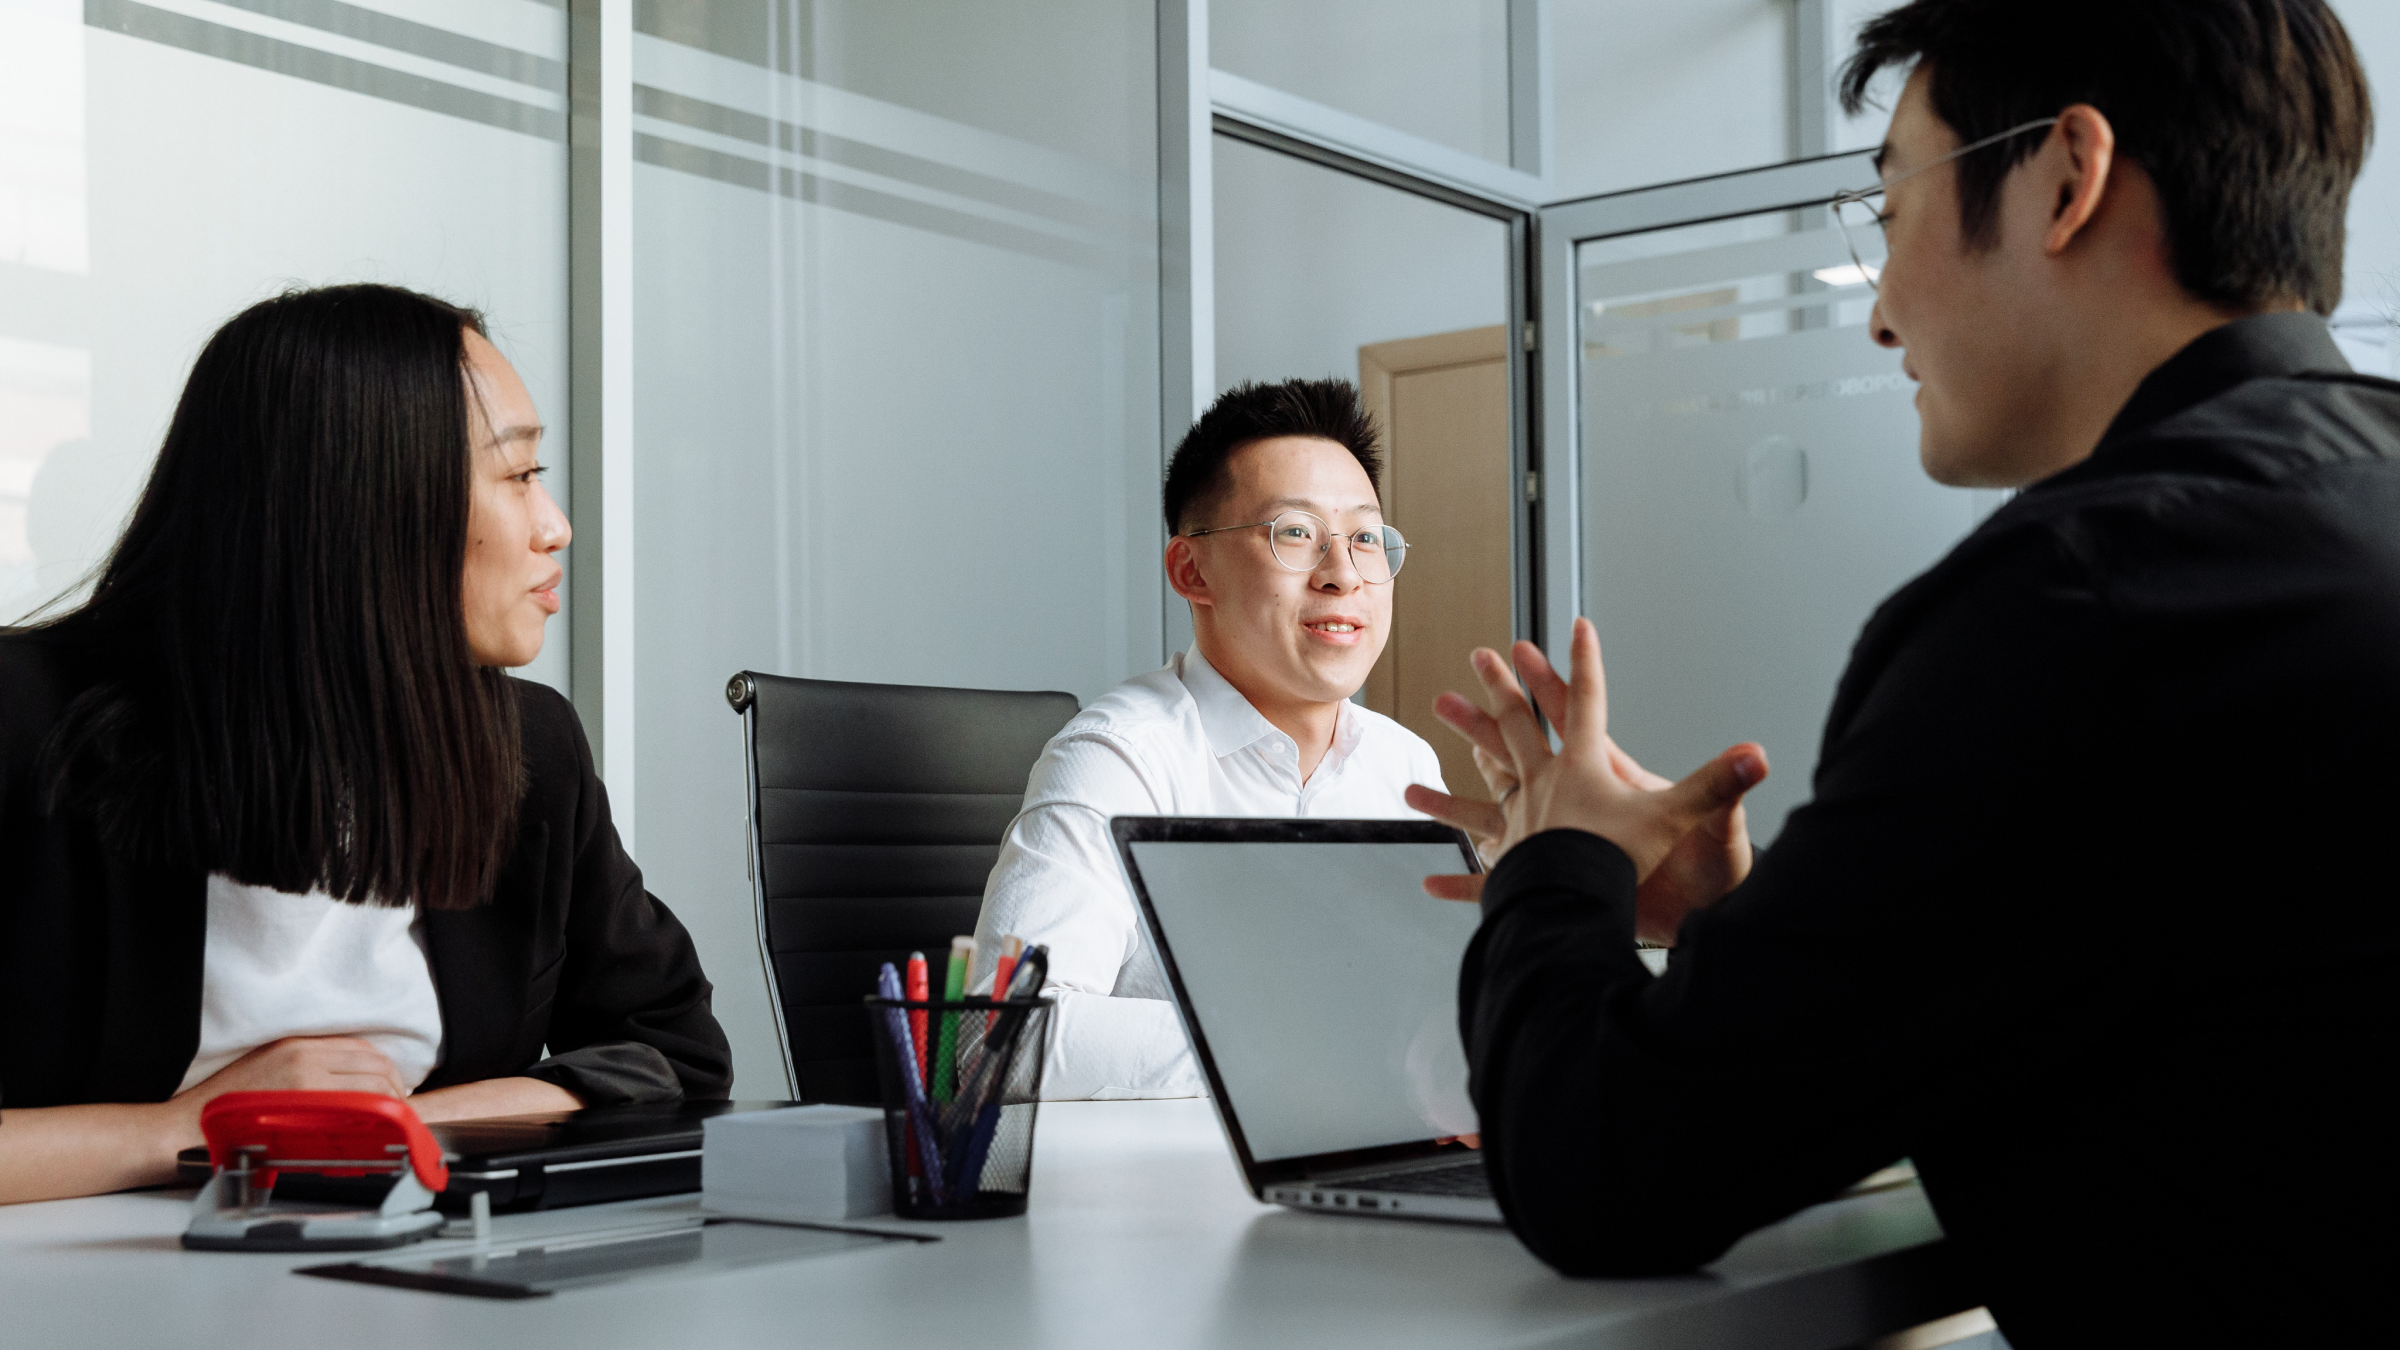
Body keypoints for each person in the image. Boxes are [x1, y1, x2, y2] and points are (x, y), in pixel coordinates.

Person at [1409, 1, 2397, 1344]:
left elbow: (1603, 1168)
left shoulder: (2082, 601)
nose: (1878, 315)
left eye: (1888, 215)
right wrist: (1767, 936)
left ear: (2066, 178)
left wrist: (1556, 857)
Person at [0, 284, 731, 1205]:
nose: (555, 526)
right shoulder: (29, 727)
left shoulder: (527, 750)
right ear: (369, 500)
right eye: (516, 476)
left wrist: (405, 1125)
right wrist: (190, 1129)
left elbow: (678, 1058)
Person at [972, 379, 1446, 1100]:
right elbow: (998, 1039)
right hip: (1173, 1195)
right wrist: (1294, 1049)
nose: (1344, 575)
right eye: (1295, 533)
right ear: (1192, 571)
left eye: (1366, 539)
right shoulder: (1121, 758)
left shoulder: (1403, 766)